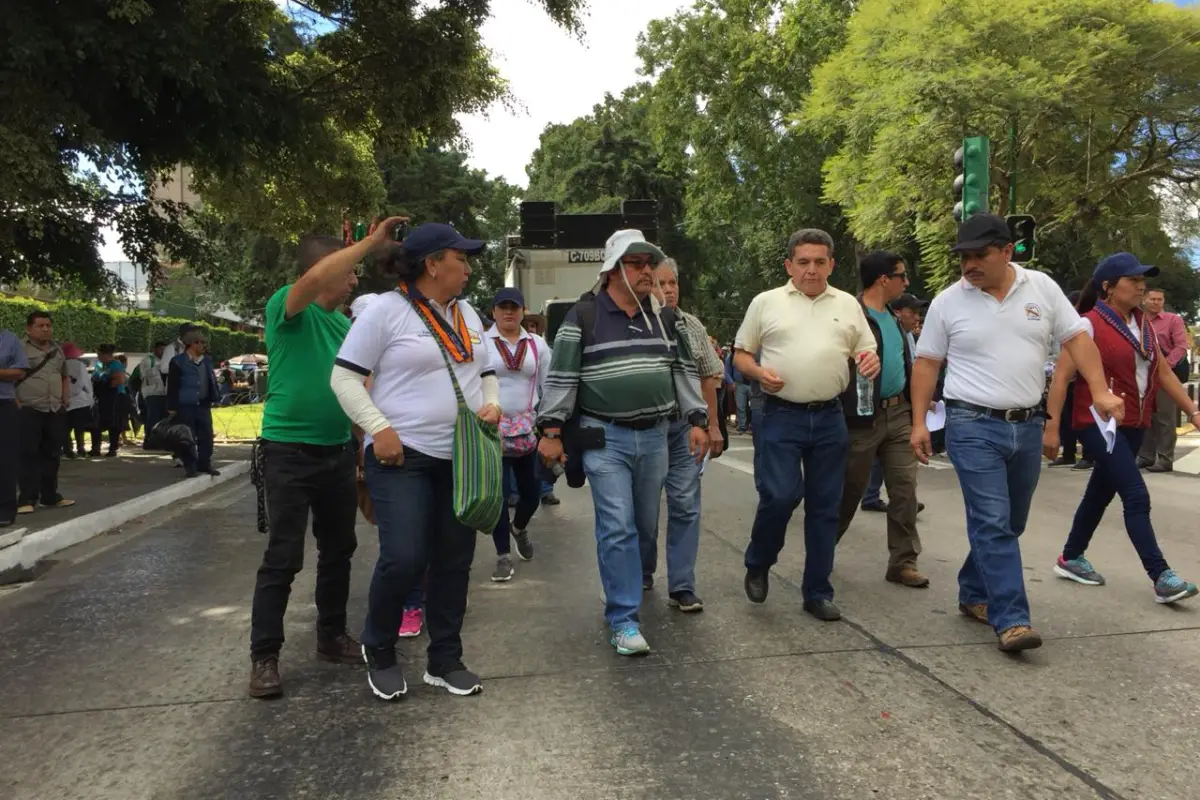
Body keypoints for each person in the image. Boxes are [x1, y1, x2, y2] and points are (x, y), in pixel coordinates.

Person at [910, 213, 1123, 653]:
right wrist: (917, 423)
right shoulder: (949, 302)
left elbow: (1078, 340)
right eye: (963, 257)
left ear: (1007, 251)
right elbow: (928, 362)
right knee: (992, 521)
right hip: (970, 424)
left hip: (1025, 425)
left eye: (979, 255)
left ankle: (972, 591)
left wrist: (1099, 390)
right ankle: (1012, 619)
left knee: (1011, 522)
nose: (969, 265)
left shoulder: (1041, 288)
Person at [332, 221, 498, 700]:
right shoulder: (387, 311)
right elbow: (343, 379)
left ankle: (444, 660)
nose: (467, 269)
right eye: (460, 259)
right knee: (404, 556)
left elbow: (486, 371)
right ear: (432, 264)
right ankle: (379, 648)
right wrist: (378, 429)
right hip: (400, 455)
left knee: (454, 559)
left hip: (461, 456)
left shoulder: (466, 313)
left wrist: (493, 403)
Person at [248, 220, 405, 700]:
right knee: (284, 556)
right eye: (350, 270)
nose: (356, 280)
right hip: (287, 453)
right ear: (324, 269)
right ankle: (264, 657)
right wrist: (370, 243)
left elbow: (356, 391)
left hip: (337, 452)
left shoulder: (344, 326)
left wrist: (363, 447)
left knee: (340, 550)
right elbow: (314, 282)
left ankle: (331, 636)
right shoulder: (286, 307)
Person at [537, 229, 708, 656]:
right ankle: (623, 618)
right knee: (618, 525)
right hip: (604, 438)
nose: (648, 271)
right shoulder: (584, 317)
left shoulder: (667, 319)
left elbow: (684, 372)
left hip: (656, 438)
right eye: (637, 264)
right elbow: (561, 379)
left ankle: (633, 581)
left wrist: (698, 420)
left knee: (644, 526)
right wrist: (552, 432)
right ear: (613, 271)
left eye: (650, 263)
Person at [733, 229, 880, 622]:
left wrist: (869, 361)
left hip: (831, 416)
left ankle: (817, 591)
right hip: (782, 414)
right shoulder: (767, 303)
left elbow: (866, 349)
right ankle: (759, 561)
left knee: (825, 508)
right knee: (780, 496)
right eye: (803, 262)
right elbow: (741, 355)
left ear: (831, 264)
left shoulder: (848, 304)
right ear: (789, 265)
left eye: (819, 261)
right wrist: (759, 373)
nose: (811, 270)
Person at [1044, 254, 1199, 604]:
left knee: (1099, 494)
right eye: (1133, 280)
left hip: (1134, 423)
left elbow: (1161, 373)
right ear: (1108, 288)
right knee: (1136, 495)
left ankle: (1071, 557)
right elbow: (1062, 379)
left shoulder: (1142, 324)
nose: (1141, 286)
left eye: (1142, 279)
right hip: (1098, 424)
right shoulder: (1087, 324)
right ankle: (1162, 576)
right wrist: (1051, 428)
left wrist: (1193, 411)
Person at [835, 252, 926, 588]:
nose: (906, 282)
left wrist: (918, 416)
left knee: (904, 489)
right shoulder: (849, 315)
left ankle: (903, 561)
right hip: (860, 417)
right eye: (901, 276)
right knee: (849, 490)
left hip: (898, 413)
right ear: (883, 279)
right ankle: (822, 549)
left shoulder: (892, 316)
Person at [644, 258, 726, 611]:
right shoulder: (636, 325)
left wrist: (713, 425)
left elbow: (709, 377)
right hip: (646, 429)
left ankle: (682, 585)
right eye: (660, 284)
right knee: (644, 509)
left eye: (672, 283)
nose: (668, 290)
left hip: (685, 430)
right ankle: (642, 571)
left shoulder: (690, 325)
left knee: (686, 503)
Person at [484, 287, 551, 582]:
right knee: (498, 497)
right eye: (503, 307)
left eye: (514, 307)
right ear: (494, 312)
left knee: (532, 493)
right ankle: (502, 555)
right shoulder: (482, 343)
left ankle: (519, 527)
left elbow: (549, 384)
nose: (508, 312)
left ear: (524, 311)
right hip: (491, 429)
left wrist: (551, 424)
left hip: (528, 428)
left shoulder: (536, 345)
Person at [16, 311, 73, 514]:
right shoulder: (19, 350)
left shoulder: (57, 350)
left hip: (54, 409)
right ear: (29, 329)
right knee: (28, 454)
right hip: (29, 409)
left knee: (52, 455)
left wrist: (65, 398)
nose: (46, 329)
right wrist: (17, 402)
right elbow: (9, 378)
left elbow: (64, 376)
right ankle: (26, 499)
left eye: (48, 325)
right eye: (41, 326)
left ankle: (50, 496)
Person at [1137, 287, 1190, 472]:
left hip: (1165, 375)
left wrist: (1164, 366)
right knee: (1145, 416)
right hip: (1143, 374)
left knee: (1165, 417)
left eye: (1160, 299)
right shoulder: (1139, 320)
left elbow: (1181, 346)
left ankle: (1165, 458)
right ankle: (1145, 456)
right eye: (1152, 299)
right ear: (1144, 300)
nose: (1156, 302)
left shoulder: (1172, 320)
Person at [1047, 291, 1097, 471]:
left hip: (1082, 379)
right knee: (1067, 418)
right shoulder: (1065, 326)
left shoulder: (1086, 324)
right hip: (1067, 378)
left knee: (1083, 419)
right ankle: (1068, 453)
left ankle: (1088, 456)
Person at [166, 329, 221, 479]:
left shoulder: (207, 361)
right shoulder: (178, 362)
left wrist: (214, 397)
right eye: (200, 342)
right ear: (191, 344)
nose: (203, 345)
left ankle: (204, 463)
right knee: (187, 438)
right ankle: (190, 466)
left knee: (206, 436)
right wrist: (172, 407)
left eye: (203, 342)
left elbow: (211, 380)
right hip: (185, 405)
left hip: (203, 405)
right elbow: (172, 386)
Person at [0, 327, 28, 528]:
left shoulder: (10, 339)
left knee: (6, 459)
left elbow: (19, 372)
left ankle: (5, 510)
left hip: (4, 404)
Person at [62, 343, 96, 459]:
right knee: (79, 428)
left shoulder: (60, 365)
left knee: (66, 428)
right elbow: (85, 383)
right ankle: (81, 449)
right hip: (81, 401)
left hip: (65, 400)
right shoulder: (80, 366)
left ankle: (68, 449)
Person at [92, 345, 127, 458]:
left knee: (114, 423)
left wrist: (105, 386)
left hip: (115, 396)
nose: (98, 357)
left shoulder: (116, 365)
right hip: (101, 397)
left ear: (106, 355)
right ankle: (95, 448)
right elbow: (94, 377)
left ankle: (113, 448)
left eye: (99, 354)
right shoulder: (99, 365)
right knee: (97, 423)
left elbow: (120, 380)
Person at [133, 341, 169, 444]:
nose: (162, 352)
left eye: (164, 349)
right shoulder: (148, 360)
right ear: (154, 349)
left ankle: (161, 440)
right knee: (153, 417)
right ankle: (150, 440)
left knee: (163, 417)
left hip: (163, 392)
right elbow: (145, 374)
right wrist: (159, 367)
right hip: (151, 392)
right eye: (160, 349)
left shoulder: (165, 361)